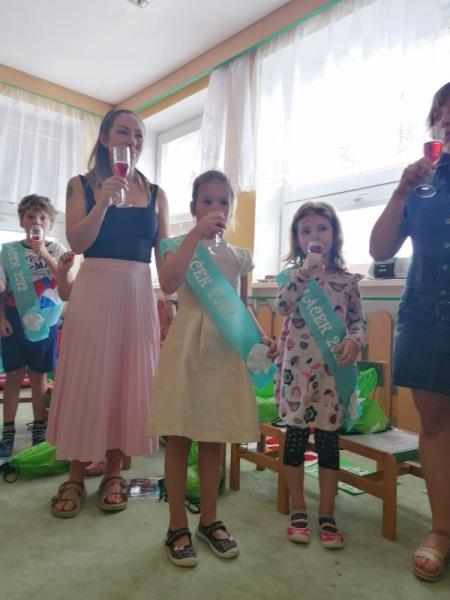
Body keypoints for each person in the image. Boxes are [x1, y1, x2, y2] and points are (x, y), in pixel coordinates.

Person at [47, 109, 172, 518]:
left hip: (138, 293)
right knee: (89, 377)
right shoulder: (80, 184)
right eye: (123, 132)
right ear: (104, 138)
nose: (132, 141)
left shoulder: (156, 193)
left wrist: (174, 296)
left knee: (127, 381)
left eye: (139, 135)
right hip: (95, 290)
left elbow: (165, 259)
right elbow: (78, 243)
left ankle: (114, 473)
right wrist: (103, 200)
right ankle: (75, 475)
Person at [148, 169, 276, 567]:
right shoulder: (176, 246)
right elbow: (169, 283)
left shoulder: (239, 257)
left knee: (213, 437)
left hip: (223, 352)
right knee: (179, 435)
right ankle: (176, 525)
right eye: (207, 201)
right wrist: (194, 236)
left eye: (223, 202)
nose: (216, 208)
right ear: (193, 207)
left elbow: (242, 307)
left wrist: (261, 340)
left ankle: (209, 519)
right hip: (187, 349)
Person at [370, 83, 450, 582]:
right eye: (441, 115)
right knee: (435, 425)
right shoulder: (422, 183)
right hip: (424, 312)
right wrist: (400, 190)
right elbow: (380, 250)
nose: (447, 121)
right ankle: (441, 530)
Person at [275, 201, 366, 549]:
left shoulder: (347, 281)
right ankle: (299, 508)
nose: (315, 235)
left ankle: (327, 513)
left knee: (329, 444)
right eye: (306, 230)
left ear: (334, 234)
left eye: (322, 228)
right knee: (295, 441)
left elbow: (357, 320)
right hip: (297, 374)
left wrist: (355, 340)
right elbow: (282, 307)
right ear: (298, 239)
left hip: (332, 375)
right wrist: (302, 274)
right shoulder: (292, 277)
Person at [0, 194, 66, 457]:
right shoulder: (8, 252)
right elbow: (2, 289)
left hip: (45, 321)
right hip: (14, 319)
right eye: (30, 216)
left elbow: (65, 279)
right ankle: (8, 430)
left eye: (42, 217)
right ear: (22, 221)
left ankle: (39, 426)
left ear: (50, 223)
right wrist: (1, 318)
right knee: (14, 375)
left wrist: (43, 253)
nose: (36, 221)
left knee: (39, 375)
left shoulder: (57, 250)